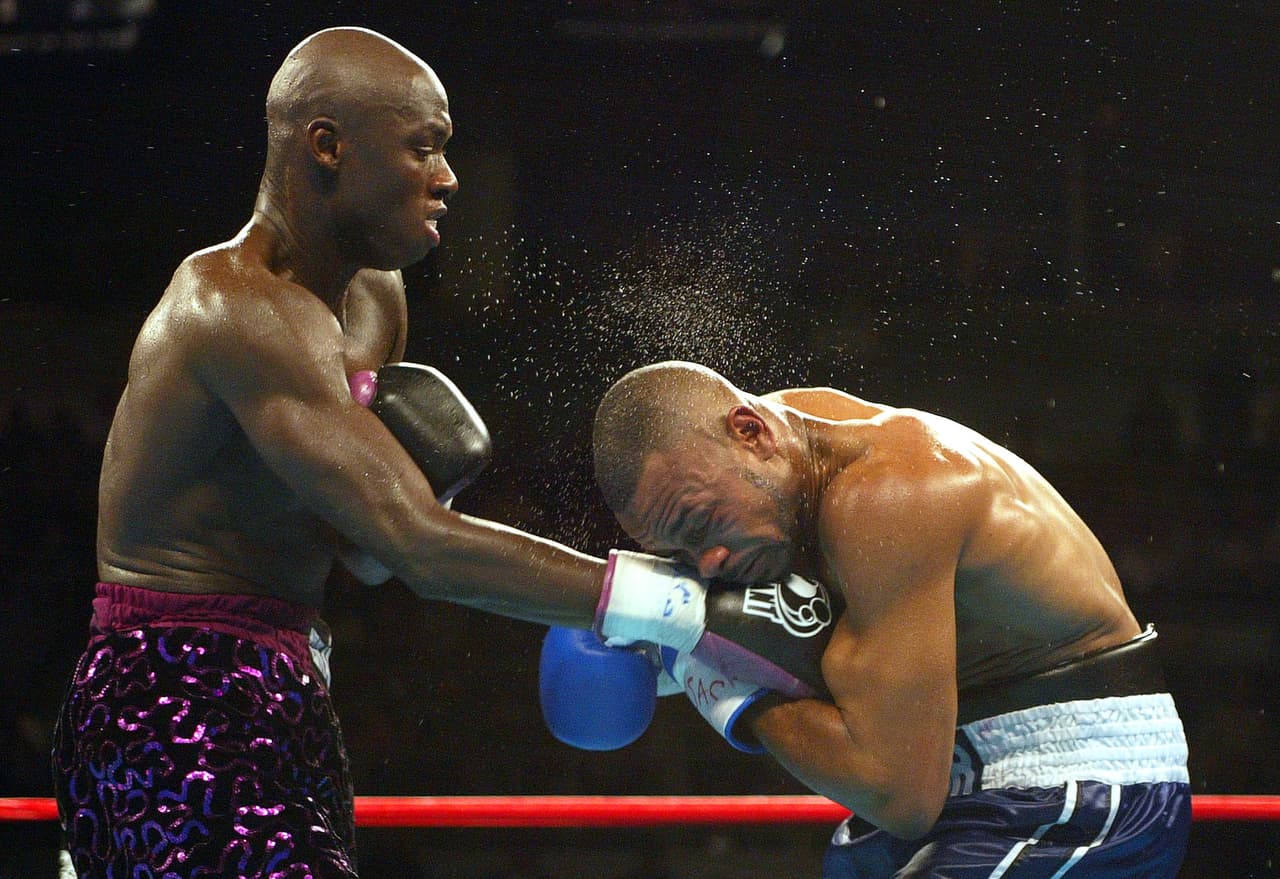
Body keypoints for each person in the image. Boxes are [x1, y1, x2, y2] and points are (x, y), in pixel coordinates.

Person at [52, 28, 767, 879]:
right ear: (328, 146)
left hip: (291, 686)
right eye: (423, 146)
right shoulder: (232, 305)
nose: (448, 176)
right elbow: (415, 543)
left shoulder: (374, 301)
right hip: (172, 694)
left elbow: (368, 552)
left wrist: (423, 492)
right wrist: (668, 600)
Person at [591, 361, 1192, 879]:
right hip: (961, 766)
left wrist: (721, 677)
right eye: (680, 553)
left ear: (752, 433)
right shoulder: (779, 465)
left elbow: (899, 794)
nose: (708, 562)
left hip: (1076, 778)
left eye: (701, 524)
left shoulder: (888, 493)